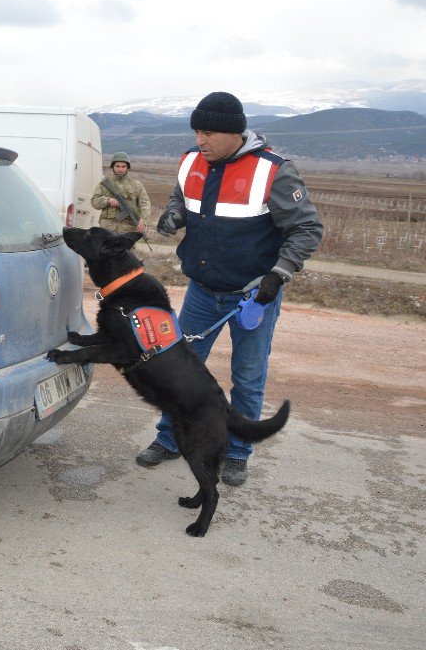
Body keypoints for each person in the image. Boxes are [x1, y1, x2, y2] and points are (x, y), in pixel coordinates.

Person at [137, 91, 324, 486]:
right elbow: (180, 198)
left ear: (233, 132)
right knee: (178, 372)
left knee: (248, 376)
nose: (200, 140)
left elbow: (307, 228)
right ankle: (170, 439)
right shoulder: (191, 160)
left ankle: (237, 452)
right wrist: (174, 215)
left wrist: (279, 274)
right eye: (196, 131)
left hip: (254, 297)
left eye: (207, 133)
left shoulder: (273, 171)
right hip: (202, 291)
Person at [91, 152, 151, 235]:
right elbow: (94, 202)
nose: (120, 169)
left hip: (128, 229)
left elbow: (145, 204)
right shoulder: (104, 184)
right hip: (107, 229)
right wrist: (108, 200)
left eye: (123, 167)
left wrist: (143, 220)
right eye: (117, 166)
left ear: (127, 168)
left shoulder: (137, 185)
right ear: (113, 167)